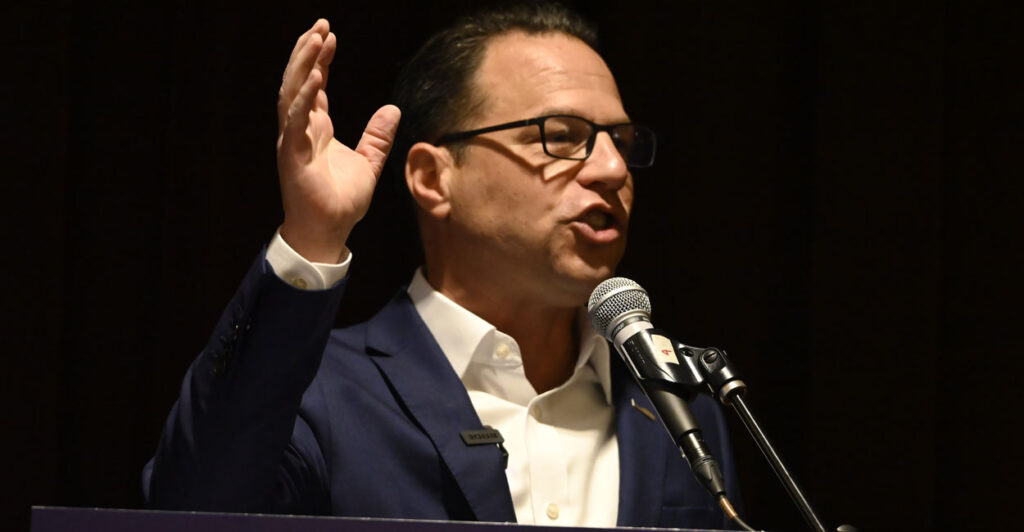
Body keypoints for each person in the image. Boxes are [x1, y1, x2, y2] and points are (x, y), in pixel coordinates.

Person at [145, 3, 740, 529]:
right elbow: (191, 507)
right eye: (562, 136)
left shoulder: (680, 409)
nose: (613, 169)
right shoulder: (320, 394)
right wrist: (314, 235)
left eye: (622, 141)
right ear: (433, 178)